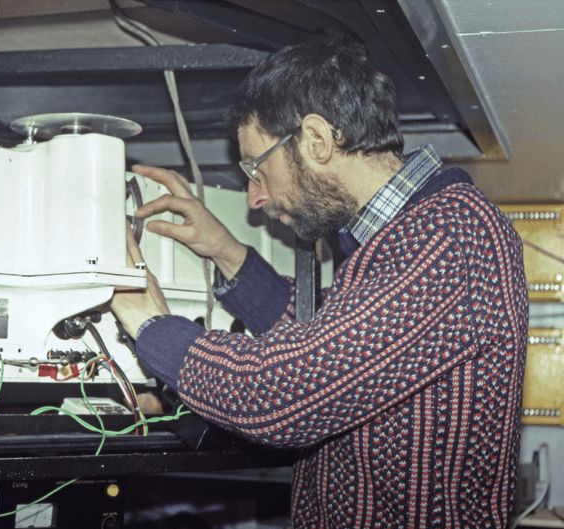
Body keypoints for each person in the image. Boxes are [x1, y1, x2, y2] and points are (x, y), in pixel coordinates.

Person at [111, 31, 528, 528]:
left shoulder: (447, 237)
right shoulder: (406, 240)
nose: (253, 198)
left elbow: (280, 391)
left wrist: (150, 324)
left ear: (317, 140)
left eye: (256, 168)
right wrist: (226, 251)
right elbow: (326, 342)